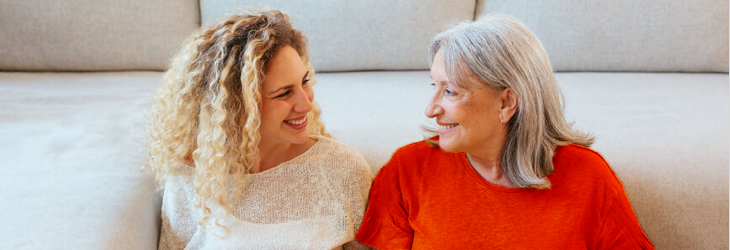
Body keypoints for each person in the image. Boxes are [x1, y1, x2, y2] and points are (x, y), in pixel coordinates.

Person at [355, 15, 654, 249]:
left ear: (507, 102)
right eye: (435, 86)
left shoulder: (589, 179)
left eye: (451, 91)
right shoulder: (407, 170)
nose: (430, 109)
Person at [145, 10, 372, 250]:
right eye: (284, 93)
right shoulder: (189, 177)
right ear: (239, 107)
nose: (307, 103)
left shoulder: (342, 169)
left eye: (304, 81)